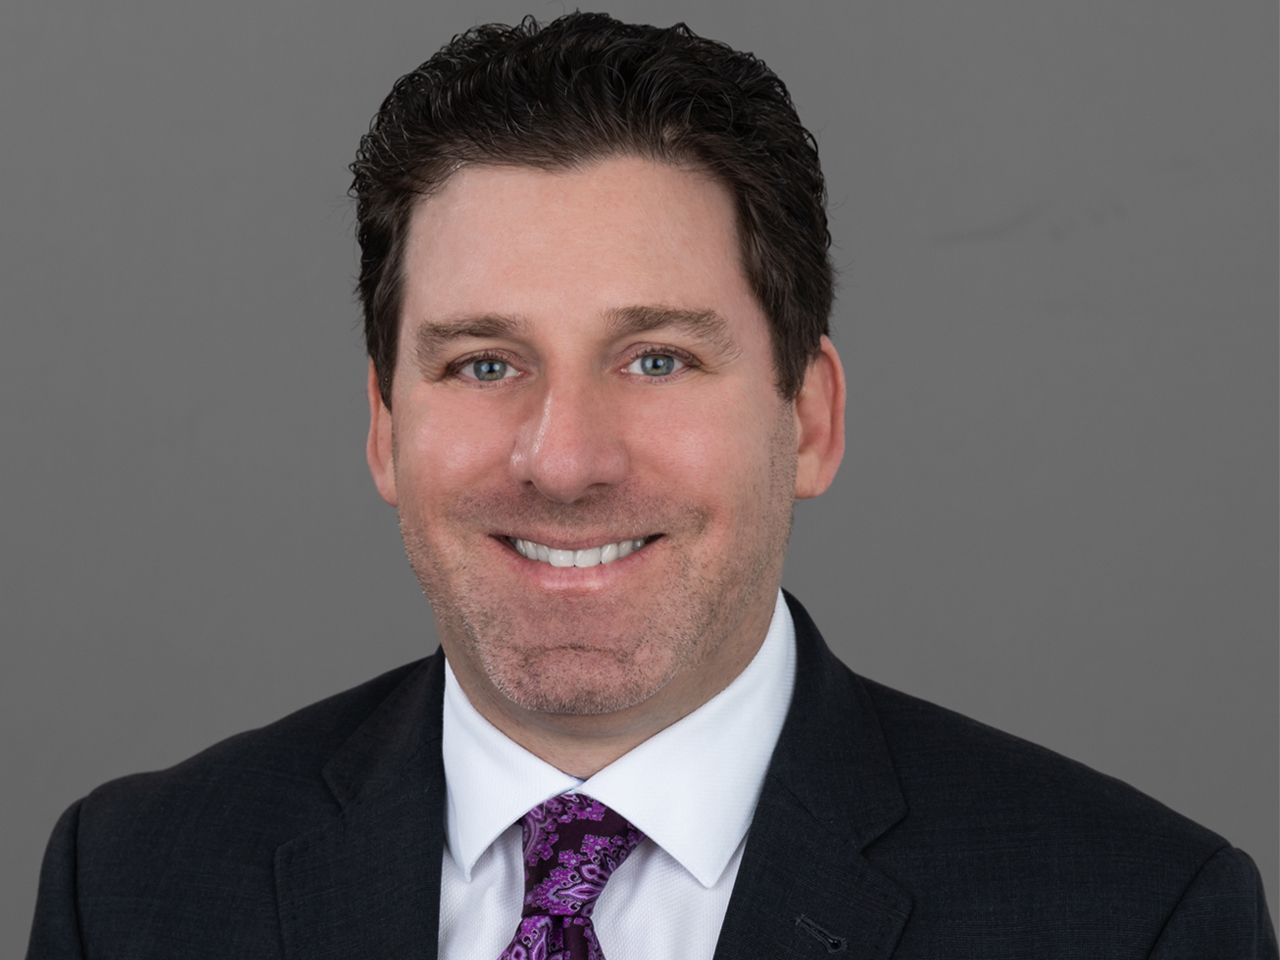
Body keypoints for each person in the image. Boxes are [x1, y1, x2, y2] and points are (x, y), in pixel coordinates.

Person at [26, 12, 1276, 959]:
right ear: (383, 429)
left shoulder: (1132, 916)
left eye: (657, 358)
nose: (564, 460)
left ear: (810, 416)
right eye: (483, 362)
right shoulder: (134, 887)